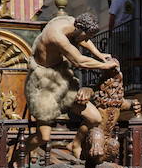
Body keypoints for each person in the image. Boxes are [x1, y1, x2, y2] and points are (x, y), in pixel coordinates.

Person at [25, 11, 119, 158]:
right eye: (86, 35)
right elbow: (79, 61)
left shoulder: (72, 22)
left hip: (62, 77)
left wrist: (100, 55)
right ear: (79, 28)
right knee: (43, 136)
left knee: (95, 118)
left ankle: (75, 143)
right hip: (43, 82)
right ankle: (20, 153)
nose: (87, 40)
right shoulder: (56, 35)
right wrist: (105, 66)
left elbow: (83, 39)